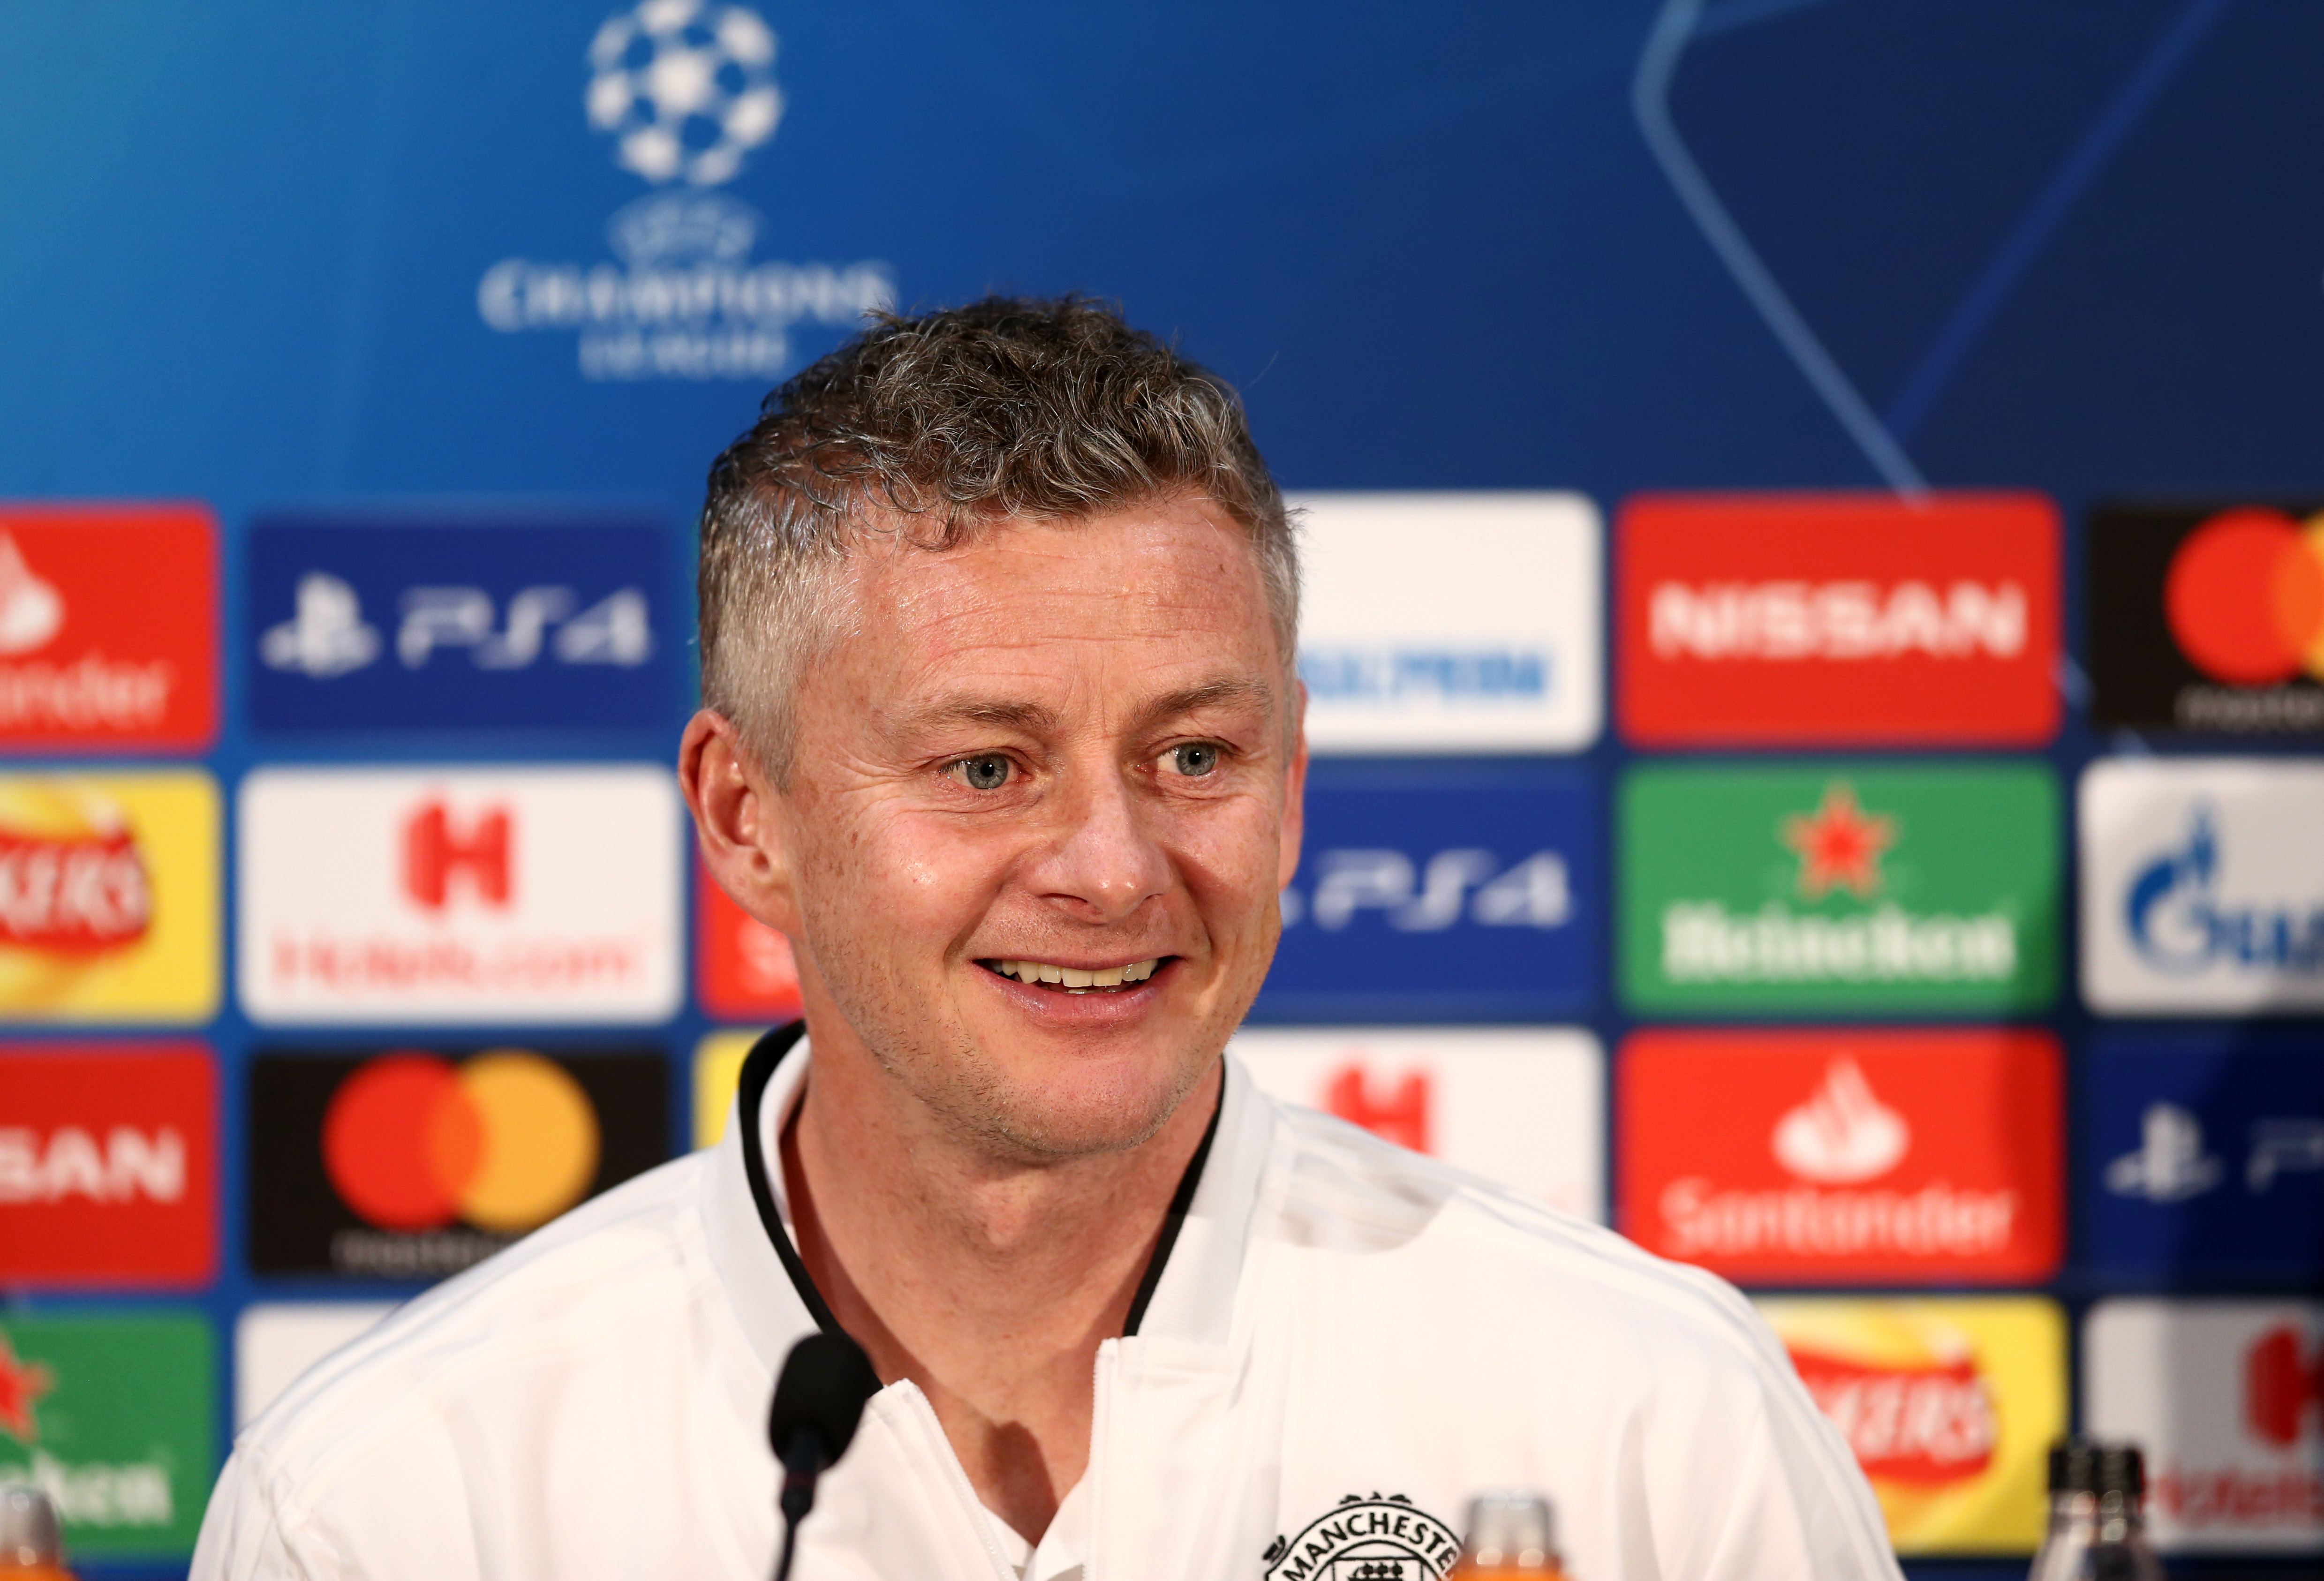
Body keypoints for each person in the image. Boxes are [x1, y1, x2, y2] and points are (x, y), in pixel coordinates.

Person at [192, 297, 1901, 1581]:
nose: (1111, 867)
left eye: (1193, 757)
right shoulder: (406, 1497)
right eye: (987, 764)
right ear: (746, 816)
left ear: (1291, 785)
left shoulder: (1640, 1414)